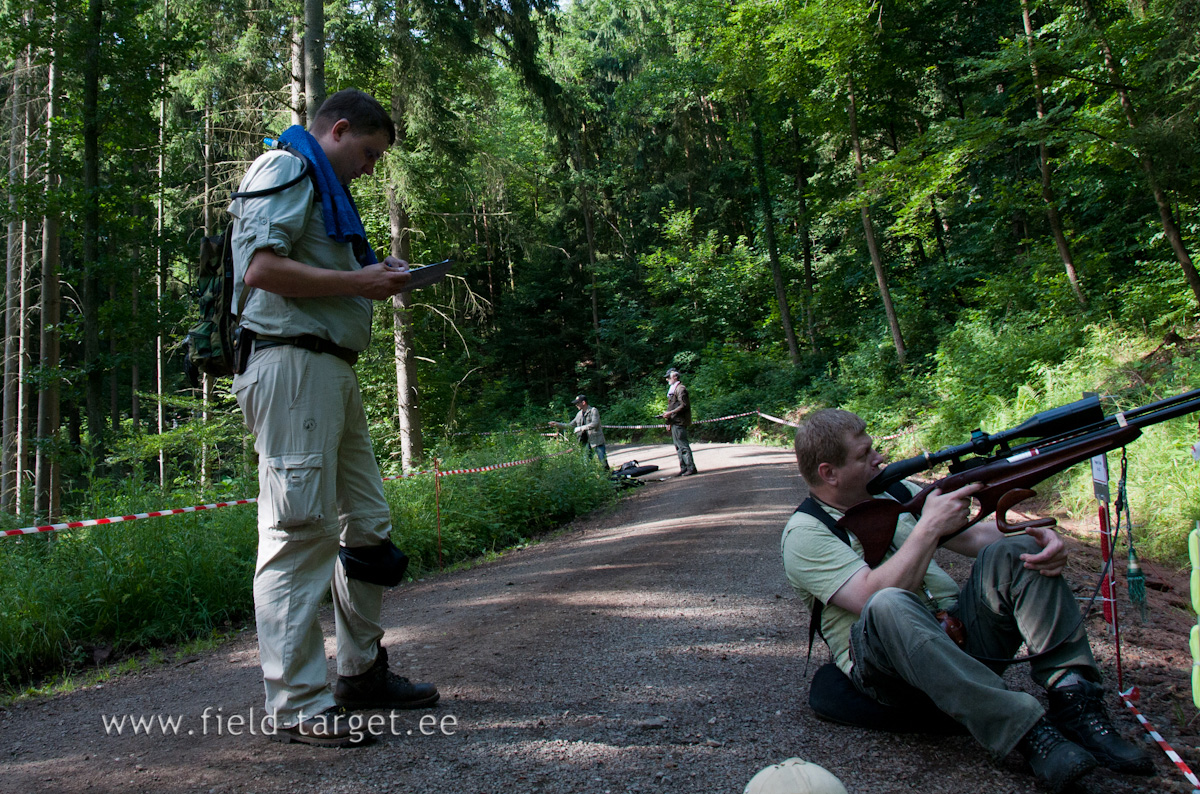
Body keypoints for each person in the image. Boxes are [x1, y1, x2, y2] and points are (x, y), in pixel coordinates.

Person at [781, 409, 1153, 793]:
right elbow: (873, 596)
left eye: (874, 449)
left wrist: (1040, 536)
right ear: (829, 473)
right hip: (888, 672)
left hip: (956, 637)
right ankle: (1027, 733)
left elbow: (975, 538)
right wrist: (927, 527)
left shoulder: (895, 490)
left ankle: (1076, 703)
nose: (879, 458)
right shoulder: (805, 534)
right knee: (889, 603)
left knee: (1017, 551)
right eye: (864, 455)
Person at [229, 88, 438, 747]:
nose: (371, 169)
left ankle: (360, 672)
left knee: (368, 528)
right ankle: (296, 705)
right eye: (369, 153)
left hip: (330, 373)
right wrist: (360, 282)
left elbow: (313, 264)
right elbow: (260, 269)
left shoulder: (323, 189)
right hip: (292, 368)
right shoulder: (285, 166)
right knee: (299, 532)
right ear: (339, 130)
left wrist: (377, 273)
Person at [550, 395, 608, 469]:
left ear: (583, 402)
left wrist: (581, 428)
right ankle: (589, 479)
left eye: (577, 403)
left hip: (597, 441)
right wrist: (557, 424)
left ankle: (608, 477)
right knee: (586, 463)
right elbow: (570, 425)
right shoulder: (579, 414)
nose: (576, 405)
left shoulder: (593, 410)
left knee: (603, 461)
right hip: (585, 442)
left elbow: (595, 424)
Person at [660, 368, 697, 476]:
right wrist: (668, 421)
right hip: (674, 421)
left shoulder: (681, 389)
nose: (667, 380)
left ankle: (691, 468)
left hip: (680, 421)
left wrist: (670, 413)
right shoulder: (673, 389)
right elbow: (672, 406)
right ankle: (684, 468)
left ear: (675, 377)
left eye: (668, 377)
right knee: (678, 446)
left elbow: (684, 405)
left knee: (683, 445)